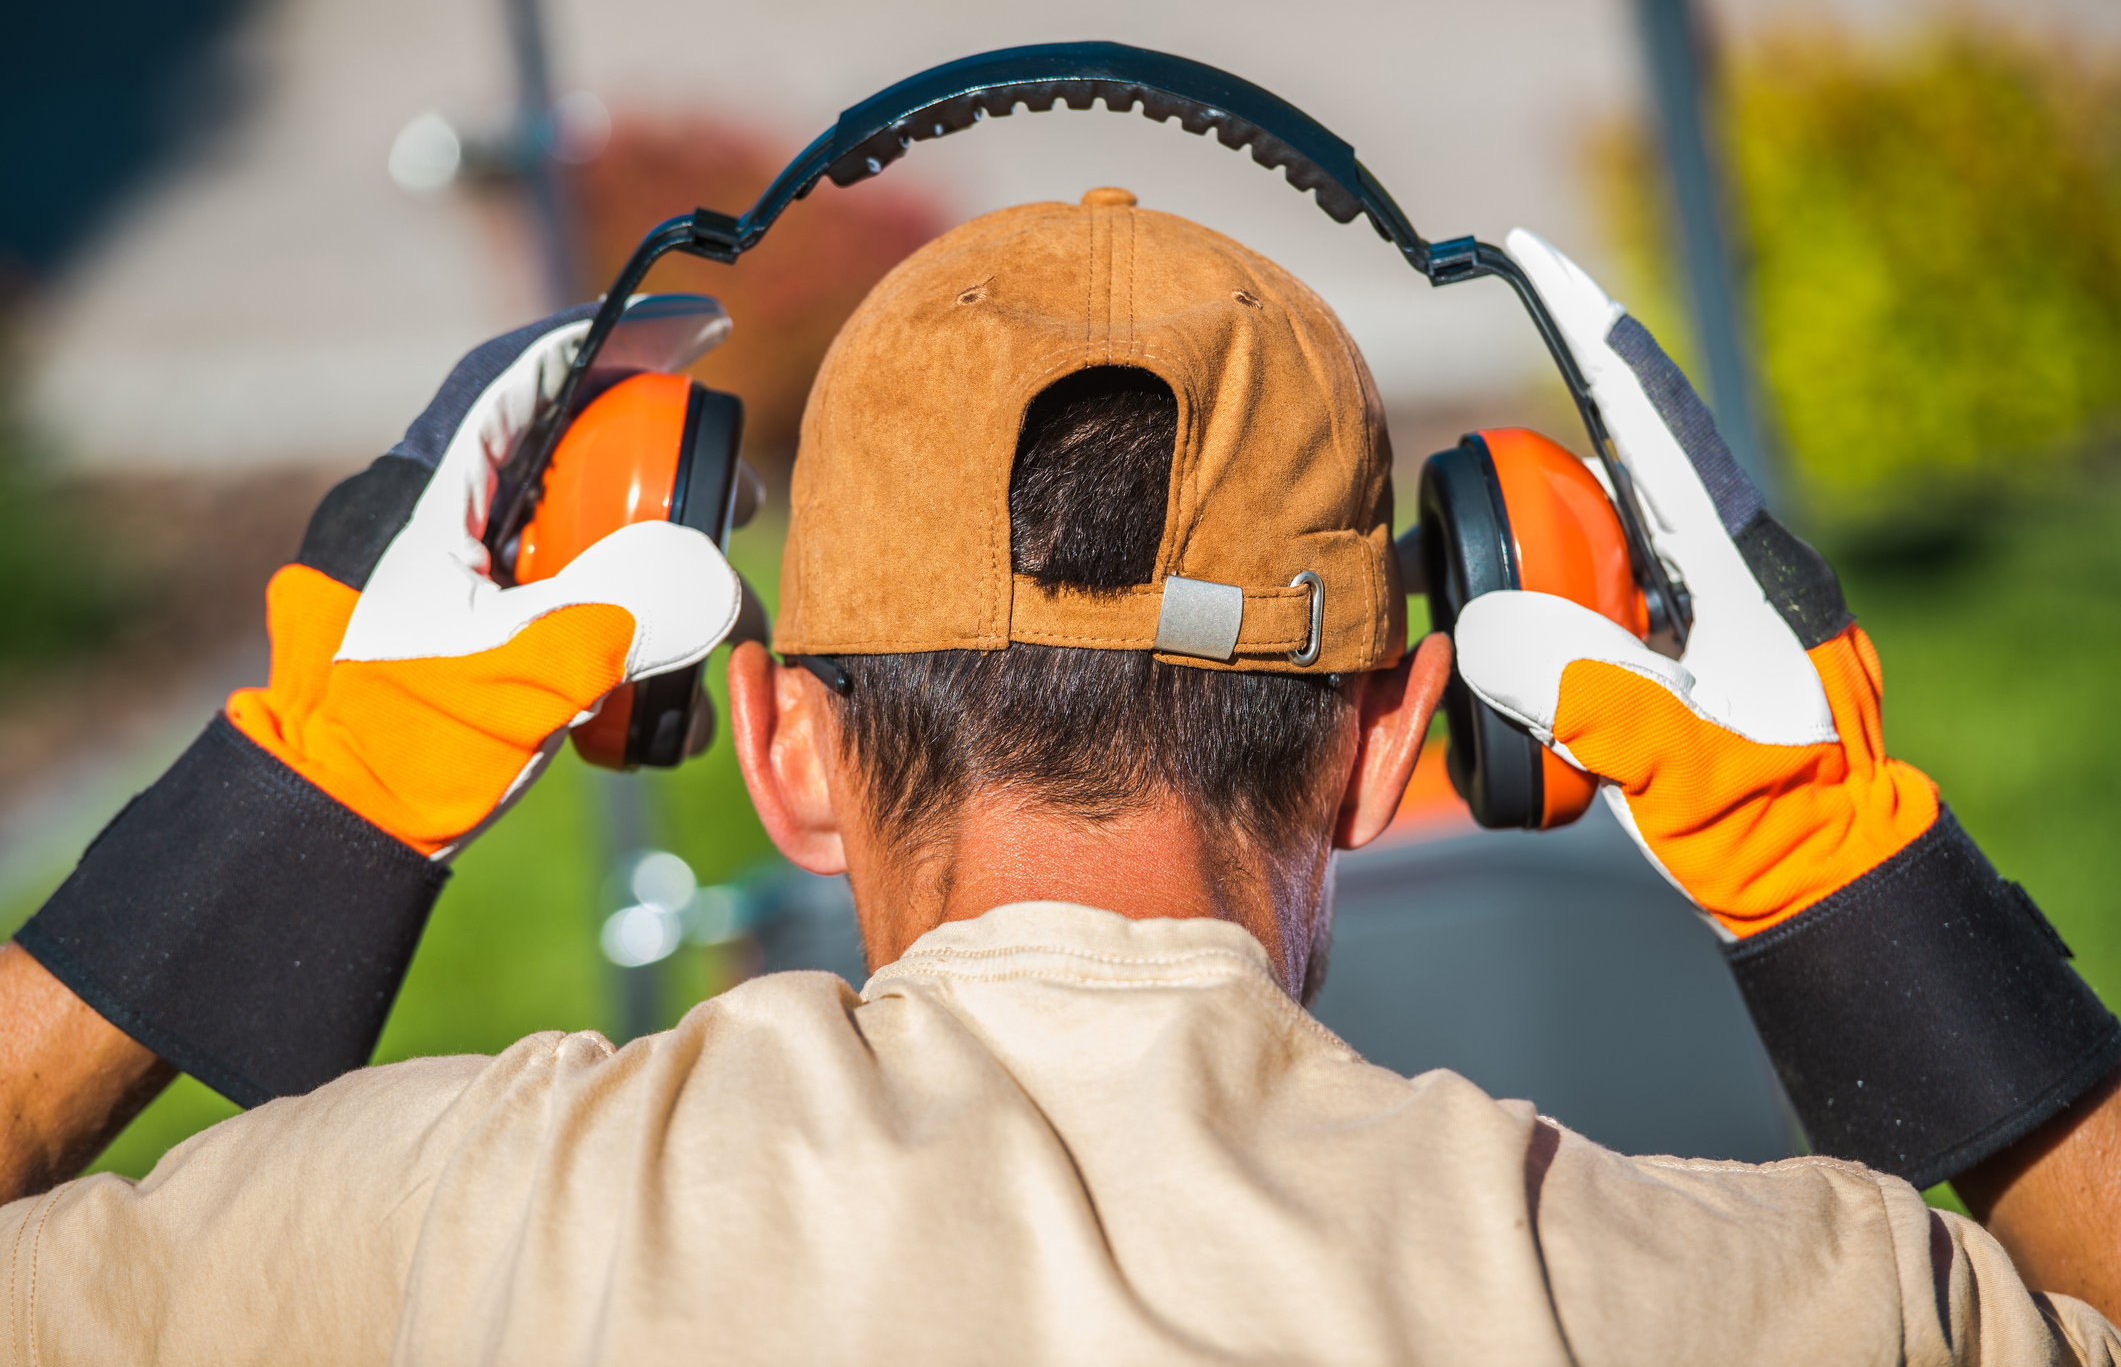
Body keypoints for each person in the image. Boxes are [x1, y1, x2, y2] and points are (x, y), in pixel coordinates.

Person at [0, 188, 2115, 1363]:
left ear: (778, 749)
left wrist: (282, 814)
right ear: (1397, 739)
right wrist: (1840, 874)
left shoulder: (436, 1235)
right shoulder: (1698, 1297)